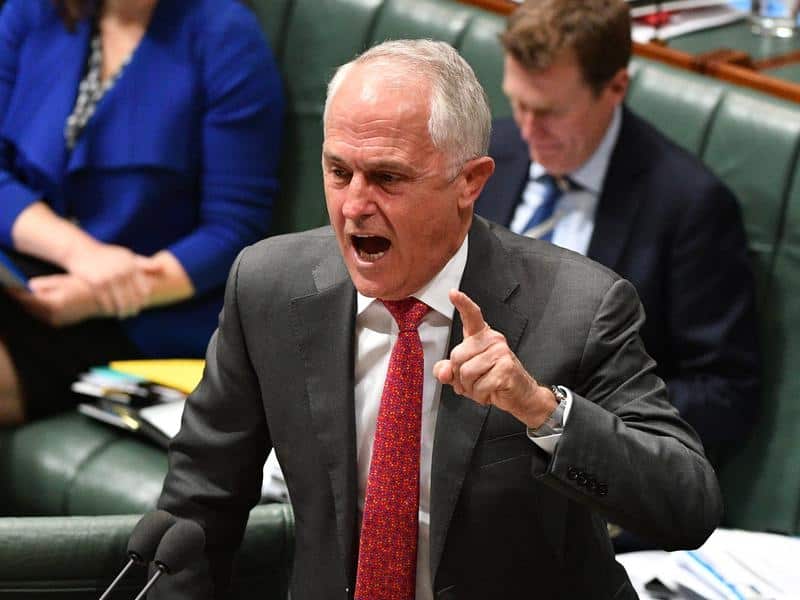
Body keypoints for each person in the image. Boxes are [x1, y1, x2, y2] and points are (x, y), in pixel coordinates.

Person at [154, 39, 721, 599]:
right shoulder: (268, 286)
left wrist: (541, 410)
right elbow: (199, 507)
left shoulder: (581, 307)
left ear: (469, 182)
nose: (353, 206)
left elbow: (687, 506)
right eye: (338, 171)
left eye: (388, 178)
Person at [474, 0, 760, 467]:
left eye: (550, 112)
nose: (529, 130)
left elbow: (724, 392)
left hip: (582, 473)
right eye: (518, 104)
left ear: (616, 88)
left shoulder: (689, 206)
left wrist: (570, 416)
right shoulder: (490, 153)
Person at [0, 0, 284, 424]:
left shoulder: (225, 38)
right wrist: (81, 254)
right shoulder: (33, 12)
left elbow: (233, 229)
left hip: (145, 311)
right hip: (23, 267)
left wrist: (102, 295)